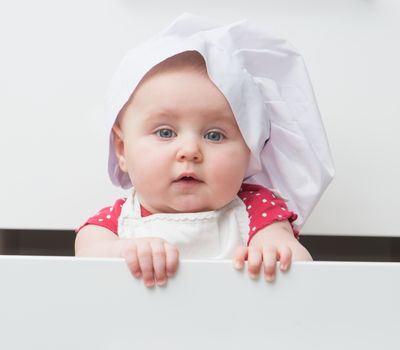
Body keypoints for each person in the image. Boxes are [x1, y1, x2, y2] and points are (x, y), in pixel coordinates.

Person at [75, 14, 334, 288]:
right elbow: (87, 252)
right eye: (165, 132)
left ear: (251, 151)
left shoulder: (258, 211)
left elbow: (295, 260)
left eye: (214, 135)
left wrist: (275, 252)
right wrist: (123, 252)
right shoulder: (116, 222)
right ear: (122, 149)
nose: (189, 151)